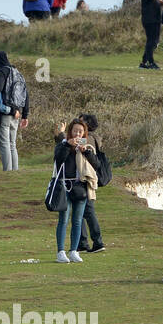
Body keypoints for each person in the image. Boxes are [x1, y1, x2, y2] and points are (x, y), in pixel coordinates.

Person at [52, 118, 99, 263]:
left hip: (81, 187)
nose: (78, 134)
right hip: (65, 186)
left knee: (78, 220)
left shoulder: (87, 147)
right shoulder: (63, 144)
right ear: (70, 132)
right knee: (64, 219)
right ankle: (60, 252)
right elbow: (58, 159)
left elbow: (97, 165)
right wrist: (67, 145)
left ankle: (74, 251)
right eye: (75, 131)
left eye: (80, 131)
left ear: (84, 133)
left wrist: (86, 153)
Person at [0, 51, 29, 171]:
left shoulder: (2, 71)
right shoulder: (17, 72)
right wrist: (25, 115)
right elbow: (26, 94)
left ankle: (7, 171)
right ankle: (14, 170)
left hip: (6, 112)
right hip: (17, 113)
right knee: (12, 145)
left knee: (4, 144)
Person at [73, 113, 106, 254]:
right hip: (85, 180)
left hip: (85, 180)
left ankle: (96, 242)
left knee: (87, 211)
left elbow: (73, 145)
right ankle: (83, 242)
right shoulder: (93, 138)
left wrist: (61, 135)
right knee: (81, 212)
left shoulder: (88, 139)